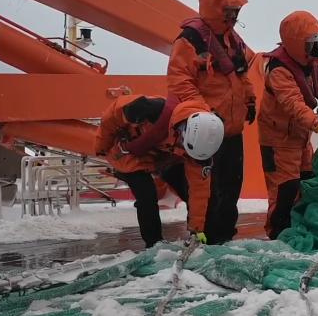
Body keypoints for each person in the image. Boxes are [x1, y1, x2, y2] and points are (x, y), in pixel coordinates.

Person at [167, 0, 256, 244]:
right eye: (229, 10)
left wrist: (250, 101)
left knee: (230, 189)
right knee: (207, 189)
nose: (233, 16)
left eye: (236, 11)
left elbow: (243, 76)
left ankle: (225, 238)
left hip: (232, 130)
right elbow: (180, 79)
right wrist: (204, 113)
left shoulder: (234, 41)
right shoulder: (191, 40)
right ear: (215, 7)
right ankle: (205, 239)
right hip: (208, 131)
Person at [95, 96, 224, 246]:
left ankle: (206, 238)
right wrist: (101, 146)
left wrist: (197, 229)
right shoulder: (148, 110)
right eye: (183, 143)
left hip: (164, 156)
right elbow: (112, 117)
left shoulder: (199, 150)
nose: (183, 146)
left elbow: (199, 192)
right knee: (147, 196)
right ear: (182, 129)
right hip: (128, 154)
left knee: (188, 190)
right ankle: (154, 244)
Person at [258, 11, 318, 239]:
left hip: (299, 138)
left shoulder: (305, 63)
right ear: (296, 42)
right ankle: (277, 237)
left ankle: (297, 232)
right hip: (278, 143)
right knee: (284, 192)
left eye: (316, 39)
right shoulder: (278, 70)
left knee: (306, 183)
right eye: (310, 40)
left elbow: (313, 84)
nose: (315, 44)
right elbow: (293, 103)